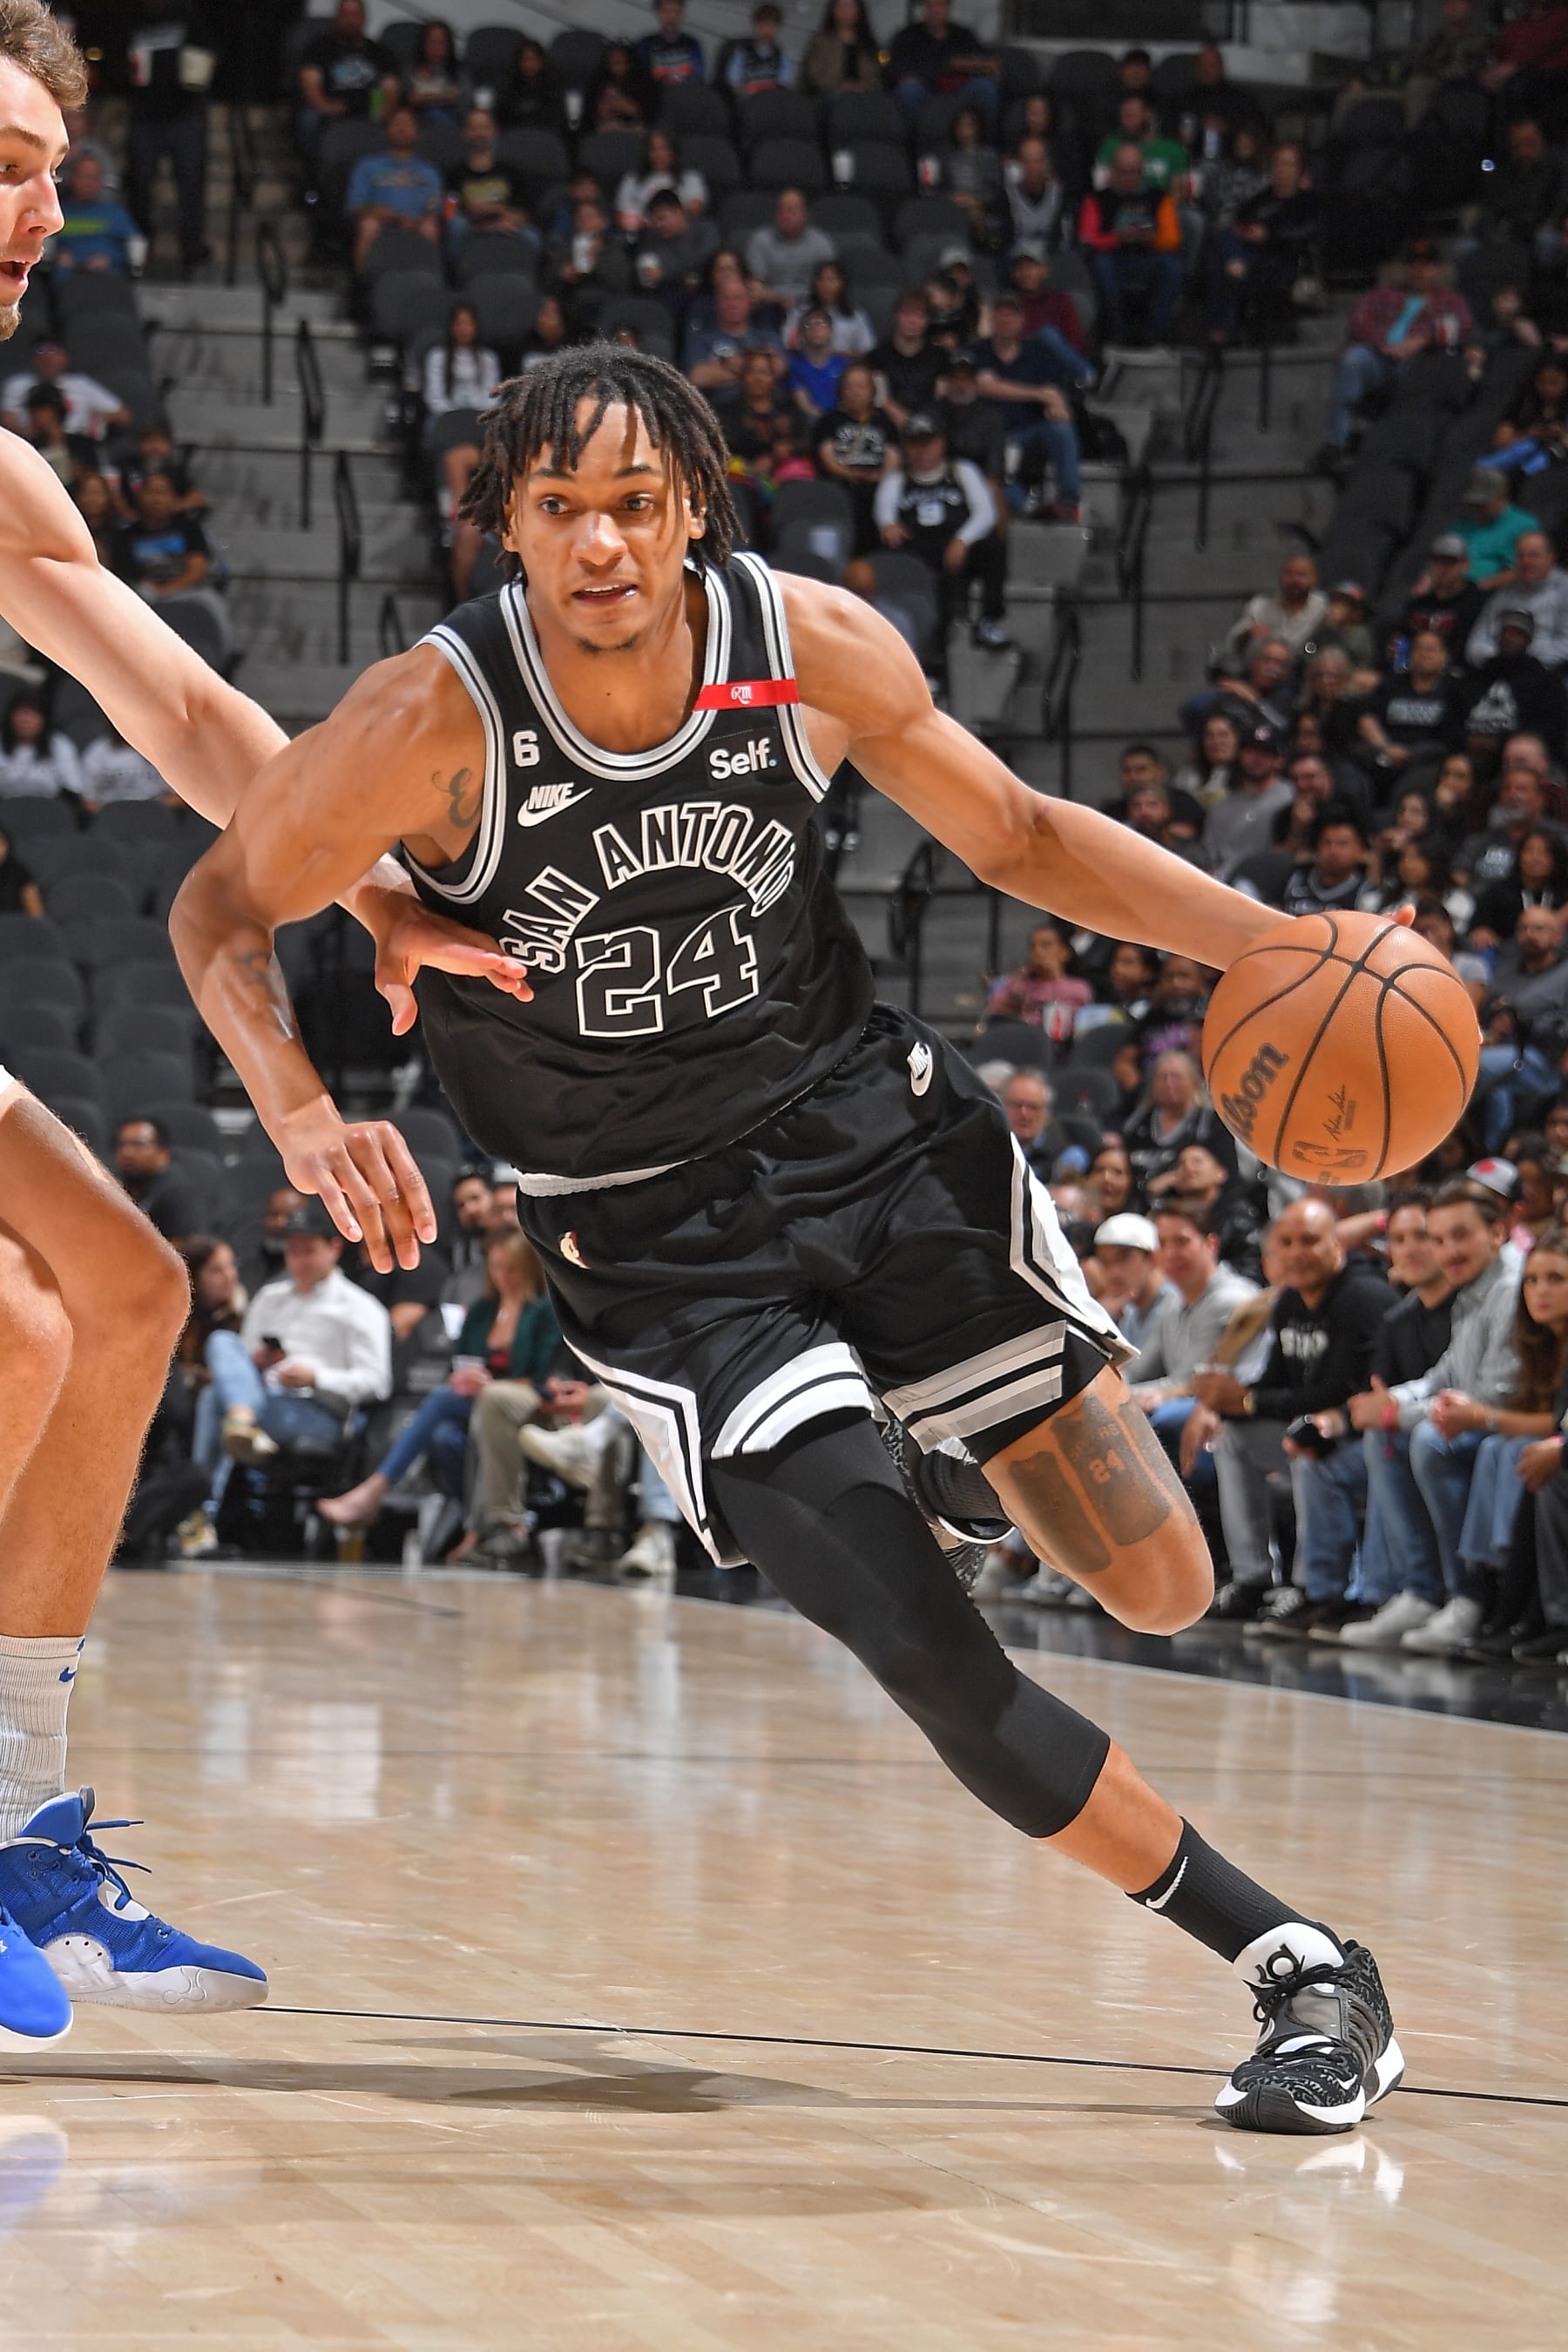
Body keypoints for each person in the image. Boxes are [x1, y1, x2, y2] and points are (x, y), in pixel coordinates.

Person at [173, 342, 1406, 2138]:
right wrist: (301, 1112)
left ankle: (946, 1453)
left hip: (877, 1144)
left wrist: (1267, 947)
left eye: (636, 506)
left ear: (695, 511)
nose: (600, 544)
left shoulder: (806, 644)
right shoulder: (428, 722)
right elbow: (219, 908)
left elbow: (1019, 831)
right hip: (663, 1255)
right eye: (560, 509)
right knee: (920, 1645)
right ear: (507, 523)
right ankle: (1303, 1964)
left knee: (1164, 1588)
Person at [0, 0, 534, 2037]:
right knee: (17, 1320)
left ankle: (17, 1828)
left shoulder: (10, 473)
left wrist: (377, 887)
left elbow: (202, 722)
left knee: (126, 1300)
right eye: (0, 157)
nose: (44, 202)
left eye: (55, 163)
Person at [1191, 1200, 1394, 1633]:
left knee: (1304, 1442)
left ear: (1336, 1243)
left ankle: (1313, 1588)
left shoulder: (1361, 1296)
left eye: (1310, 1240)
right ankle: (1253, 1579)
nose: (1297, 1253)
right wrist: (1226, 1403)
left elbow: (1340, 1389)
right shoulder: (1289, 1303)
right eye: (1286, 1243)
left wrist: (1247, 1401)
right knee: (1232, 1439)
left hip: (1358, 1432)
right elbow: (1273, 1381)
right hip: (1312, 1427)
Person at [1346, 1180, 1523, 1654]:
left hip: (1513, 1424)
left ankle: (1469, 1596)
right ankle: (1422, 1591)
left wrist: (1397, 1413)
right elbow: (1441, 1375)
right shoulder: (1473, 1288)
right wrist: (1392, 1405)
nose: (1448, 1250)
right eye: (1439, 1238)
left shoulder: (1509, 1289)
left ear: (1498, 1232)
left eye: (1460, 1235)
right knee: (1384, 1438)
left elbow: (1493, 1394)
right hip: (1475, 1418)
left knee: (1427, 1440)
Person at [321, 1227, 559, 1538]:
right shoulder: (482, 1311)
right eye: (496, 1267)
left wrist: (491, 1385)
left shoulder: (544, 1313)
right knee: (446, 1435)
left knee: (445, 1410)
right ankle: (477, 1531)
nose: (503, 1276)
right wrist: (464, 1378)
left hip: (526, 1403)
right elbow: (457, 1364)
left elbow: (546, 1375)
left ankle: (376, 1489)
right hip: (474, 1404)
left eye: (512, 1268)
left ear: (529, 1269)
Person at [1126, 1199, 1259, 1484]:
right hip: (1195, 1403)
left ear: (1210, 1244)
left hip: (1232, 1413)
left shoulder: (1230, 1299)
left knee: (1160, 1417)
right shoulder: (1173, 1302)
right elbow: (1138, 1370)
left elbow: (1191, 1382)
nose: (1171, 1254)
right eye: (1163, 1244)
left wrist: (1122, 1398)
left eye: (1182, 1241)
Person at [1315, 240, 1472, 470]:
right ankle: (1337, 442)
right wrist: (1384, 346)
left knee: (1419, 369)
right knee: (1353, 359)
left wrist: (1421, 341)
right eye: (1414, 264)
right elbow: (1359, 323)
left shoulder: (1450, 301)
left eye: (1426, 265)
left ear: (1437, 269)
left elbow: (1461, 329)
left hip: (1420, 362)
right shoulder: (1383, 295)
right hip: (1380, 358)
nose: (1419, 270)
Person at [875, 411, 1010, 655]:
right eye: (916, 445)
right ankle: (932, 657)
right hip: (919, 551)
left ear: (941, 443)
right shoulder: (897, 480)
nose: (923, 451)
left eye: (929, 444)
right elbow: (884, 514)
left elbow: (986, 513)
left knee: (993, 547)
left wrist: (962, 540)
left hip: (958, 546)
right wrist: (889, 526)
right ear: (906, 447)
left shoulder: (961, 471)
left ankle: (989, 620)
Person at [969, 289, 1092, 523]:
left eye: (1012, 315)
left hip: (1030, 430)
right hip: (994, 435)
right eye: (1001, 314)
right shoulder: (978, 352)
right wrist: (1037, 394)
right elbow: (986, 386)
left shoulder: (1038, 353)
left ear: (1022, 320)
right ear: (992, 319)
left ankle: (1070, 502)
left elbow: (1055, 394)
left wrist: (1054, 404)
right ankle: (1028, 508)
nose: (1006, 320)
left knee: (1061, 429)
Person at [125, 0, 213, 275]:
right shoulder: (134, 20)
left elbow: (207, 55)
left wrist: (193, 91)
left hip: (183, 117)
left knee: (190, 188)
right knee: (139, 186)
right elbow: (122, 62)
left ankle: (191, 250)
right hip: (144, 116)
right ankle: (141, 249)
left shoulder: (188, 17)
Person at [1077, 144, 1183, 350]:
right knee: (1100, 264)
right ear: (1113, 171)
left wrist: (1151, 238)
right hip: (1113, 259)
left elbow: (1173, 239)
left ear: (1142, 172)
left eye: (1133, 171)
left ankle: (1152, 338)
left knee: (1173, 267)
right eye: (1123, 171)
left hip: (1147, 257)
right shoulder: (1097, 199)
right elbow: (1087, 239)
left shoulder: (1159, 197)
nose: (1128, 177)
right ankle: (1117, 338)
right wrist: (1118, 239)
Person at [296, 0, 399, 166]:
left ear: (364, 18)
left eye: (355, 15)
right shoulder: (319, 48)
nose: (350, 20)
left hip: (370, 109)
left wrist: (384, 111)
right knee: (309, 118)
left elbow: (391, 88)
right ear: (337, 18)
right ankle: (314, 171)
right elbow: (310, 85)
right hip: (332, 105)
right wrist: (325, 105)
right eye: (345, 15)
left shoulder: (380, 52)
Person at [345, 104, 443, 274]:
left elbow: (433, 209)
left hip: (416, 223)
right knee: (368, 225)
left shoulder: (429, 172)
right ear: (386, 130)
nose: (402, 129)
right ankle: (362, 281)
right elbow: (356, 206)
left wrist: (418, 221)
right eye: (397, 124)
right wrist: (384, 214)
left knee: (430, 227)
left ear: (417, 132)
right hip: (379, 222)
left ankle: (432, 279)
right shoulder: (366, 166)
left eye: (408, 125)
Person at [887, 0, 997, 132]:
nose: (935, 10)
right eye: (930, 5)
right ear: (924, 8)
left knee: (986, 86)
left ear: (948, 8)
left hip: (960, 90)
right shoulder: (907, 36)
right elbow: (892, 69)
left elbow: (986, 61)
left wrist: (965, 64)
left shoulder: (964, 35)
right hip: (924, 90)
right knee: (908, 91)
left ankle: (988, 142)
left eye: (940, 5)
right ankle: (914, 145)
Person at [1467, 530, 1568, 669]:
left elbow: (1565, 646)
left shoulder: (1565, 590)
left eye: (1534, 555)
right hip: (1498, 668)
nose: (1526, 562)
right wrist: (1496, 661)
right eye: (1521, 556)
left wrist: (1522, 664)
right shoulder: (1505, 592)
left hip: (1546, 673)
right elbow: (1478, 640)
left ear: (1550, 559)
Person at [984, 921, 1092, 1040]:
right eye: (1033, 946)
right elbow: (994, 1011)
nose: (1038, 951)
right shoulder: (1020, 982)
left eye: (1046, 945)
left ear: (1064, 952)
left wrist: (1054, 975)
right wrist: (1020, 979)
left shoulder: (1079, 987)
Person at [1221, 552, 1327, 668]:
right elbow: (1231, 644)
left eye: (1301, 575)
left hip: (1301, 672)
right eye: (1289, 574)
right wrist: (1248, 633)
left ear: (1314, 579)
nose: (1294, 580)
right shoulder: (1259, 606)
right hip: (1259, 670)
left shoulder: (1323, 606)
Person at [113, 1116, 208, 1242]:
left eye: (138, 1145)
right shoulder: (115, 1184)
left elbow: (187, 1246)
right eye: (121, 1145)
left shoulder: (178, 1192)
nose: (127, 1152)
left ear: (163, 1153)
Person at [747, 187, 835, 310]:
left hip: (811, 307)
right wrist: (780, 300)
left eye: (791, 210)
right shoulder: (761, 240)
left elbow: (829, 285)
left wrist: (799, 302)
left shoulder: (821, 243)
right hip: (769, 305)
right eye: (781, 210)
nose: (785, 215)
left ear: (805, 215)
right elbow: (755, 284)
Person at [51, 148, 138, 274]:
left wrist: (110, 259)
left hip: (106, 279)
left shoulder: (115, 213)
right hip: (66, 280)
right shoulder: (57, 212)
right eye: (84, 176)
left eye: (94, 178)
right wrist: (57, 256)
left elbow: (134, 249)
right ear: (72, 178)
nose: (88, 183)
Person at [1451, 466, 1538, 591]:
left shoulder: (1525, 526)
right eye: (1474, 503)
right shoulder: (1462, 525)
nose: (1477, 509)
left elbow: (1523, 570)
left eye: (1483, 504)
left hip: (1495, 592)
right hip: (1452, 590)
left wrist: (1478, 587)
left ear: (1502, 498)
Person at [1280, 808, 1370, 919]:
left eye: (1342, 844)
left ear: (1360, 850)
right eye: (1327, 843)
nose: (1333, 851)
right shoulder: (1296, 879)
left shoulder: (1366, 892)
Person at [803, 0, 880, 98]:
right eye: (840, 7)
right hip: (830, 95)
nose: (845, 12)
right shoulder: (821, 42)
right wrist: (838, 86)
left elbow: (876, 77)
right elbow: (813, 75)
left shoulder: (869, 44)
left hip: (863, 96)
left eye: (850, 7)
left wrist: (861, 87)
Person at [725, 3, 795, 98]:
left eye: (772, 27)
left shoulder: (782, 56)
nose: (767, 31)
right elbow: (734, 84)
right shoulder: (742, 53)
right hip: (747, 103)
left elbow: (784, 86)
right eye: (763, 25)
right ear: (756, 25)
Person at [636, 0, 705, 93]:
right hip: (657, 97)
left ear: (681, 14)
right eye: (666, 11)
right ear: (658, 13)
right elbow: (641, 75)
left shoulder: (691, 43)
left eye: (675, 11)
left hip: (686, 96)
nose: (671, 16)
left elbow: (698, 75)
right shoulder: (647, 43)